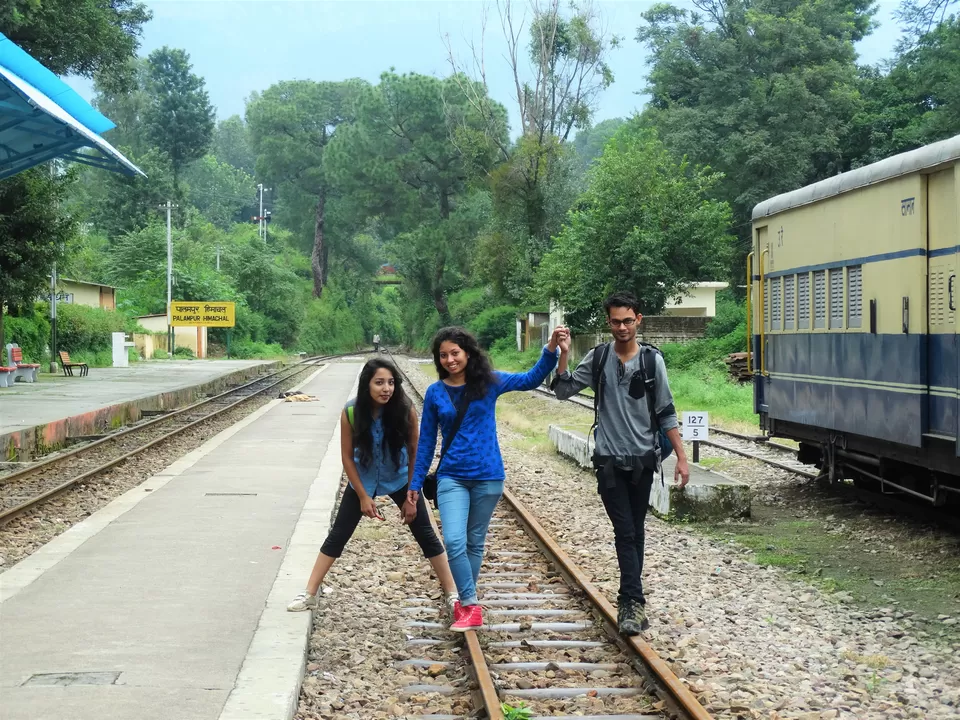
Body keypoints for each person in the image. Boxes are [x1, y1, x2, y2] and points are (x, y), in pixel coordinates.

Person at [407, 325, 566, 632]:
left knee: (474, 543)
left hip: (488, 477)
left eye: (455, 353)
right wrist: (414, 484)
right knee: (454, 540)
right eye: (443, 355)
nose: (450, 360)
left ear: (468, 352)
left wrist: (551, 348)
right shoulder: (435, 393)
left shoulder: (489, 382)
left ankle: (467, 604)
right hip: (451, 476)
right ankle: (470, 605)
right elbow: (426, 442)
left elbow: (531, 379)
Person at [552, 291, 690, 635]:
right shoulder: (599, 358)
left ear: (638, 320)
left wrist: (682, 458)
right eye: (615, 321)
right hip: (610, 461)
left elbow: (666, 411)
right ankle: (630, 602)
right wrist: (564, 355)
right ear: (608, 322)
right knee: (625, 531)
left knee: (635, 531)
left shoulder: (651, 361)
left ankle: (633, 601)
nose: (622, 327)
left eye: (628, 320)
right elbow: (562, 390)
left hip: (644, 460)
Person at [287, 358, 458, 614]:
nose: (386, 388)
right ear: (367, 384)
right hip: (363, 480)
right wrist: (364, 496)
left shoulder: (405, 409)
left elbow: (415, 452)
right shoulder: (352, 411)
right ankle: (309, 593)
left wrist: (412, 495)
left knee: (427, 536)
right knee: (338, 536)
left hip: (400, 479)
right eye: (379, 383)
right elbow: (346, 456)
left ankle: (453, 594)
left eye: (390, 382)